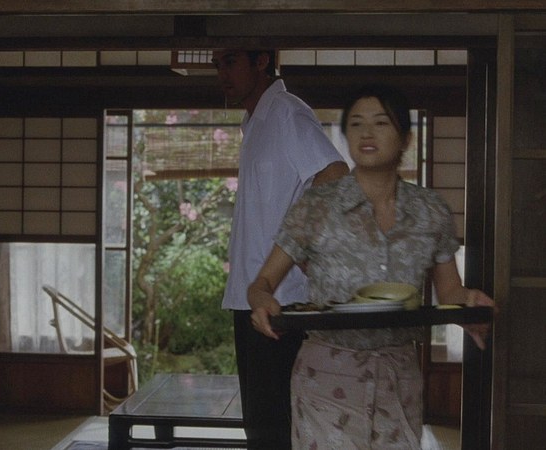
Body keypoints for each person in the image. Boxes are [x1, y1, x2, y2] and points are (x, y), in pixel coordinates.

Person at [247, 84, 497, 449]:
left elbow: (450, 291)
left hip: (398, 378)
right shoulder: (315, 206)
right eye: (356, 123)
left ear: (406, 138)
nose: (366, 133)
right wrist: (262, 301)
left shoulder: (430, 211)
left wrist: (469, 304)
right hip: (326, 376)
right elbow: (262, 282)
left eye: (380, 122)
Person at [212, 48, 349, 449]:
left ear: (261, 61)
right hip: (252, 296)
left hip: (282, 300)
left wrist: (303, 245)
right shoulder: (254, 121)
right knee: (261, 427)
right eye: (217, 64)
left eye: (230, 61)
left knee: (277, 429)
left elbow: (334, 174)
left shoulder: (286, 111)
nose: (222, 73)